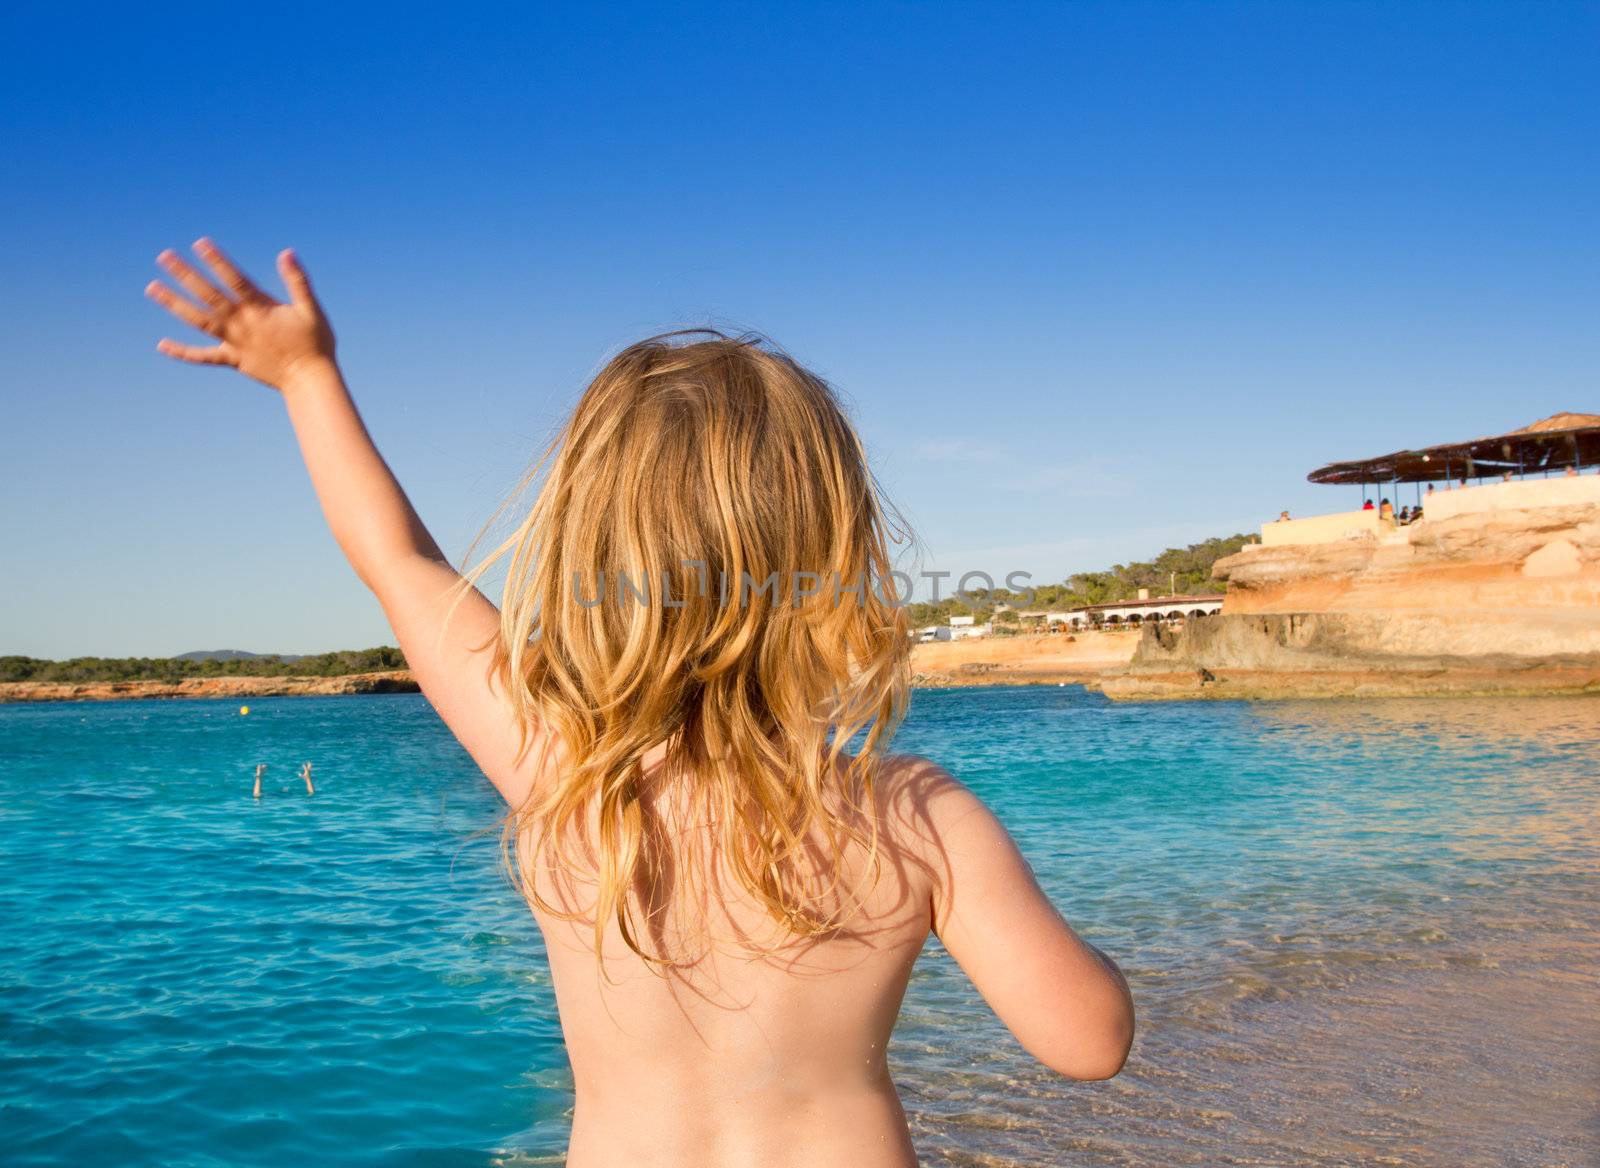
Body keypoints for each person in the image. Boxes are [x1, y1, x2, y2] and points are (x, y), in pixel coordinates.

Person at [145, 240, 1134, 1168]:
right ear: (839, 551)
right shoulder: (915, 816)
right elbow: (1086, 1042)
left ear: (591, 544)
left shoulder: (563, 772)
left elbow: (398, 562)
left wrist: (308, 378)